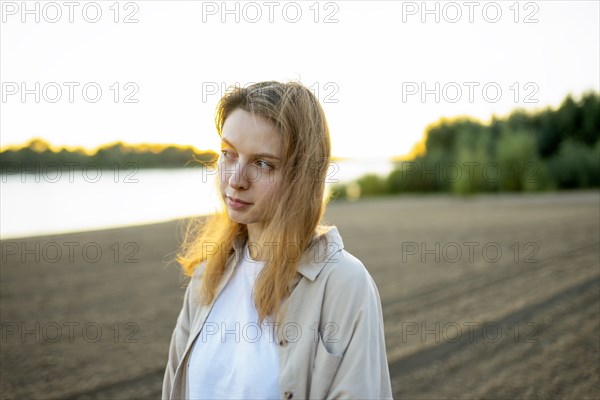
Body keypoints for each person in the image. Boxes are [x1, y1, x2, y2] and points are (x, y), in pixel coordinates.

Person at [162, 81, 393, 399]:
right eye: (228, 154)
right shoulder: (206, 277)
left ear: (302, 177)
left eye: (262, 164)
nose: (236, 180)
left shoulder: (344, 284)